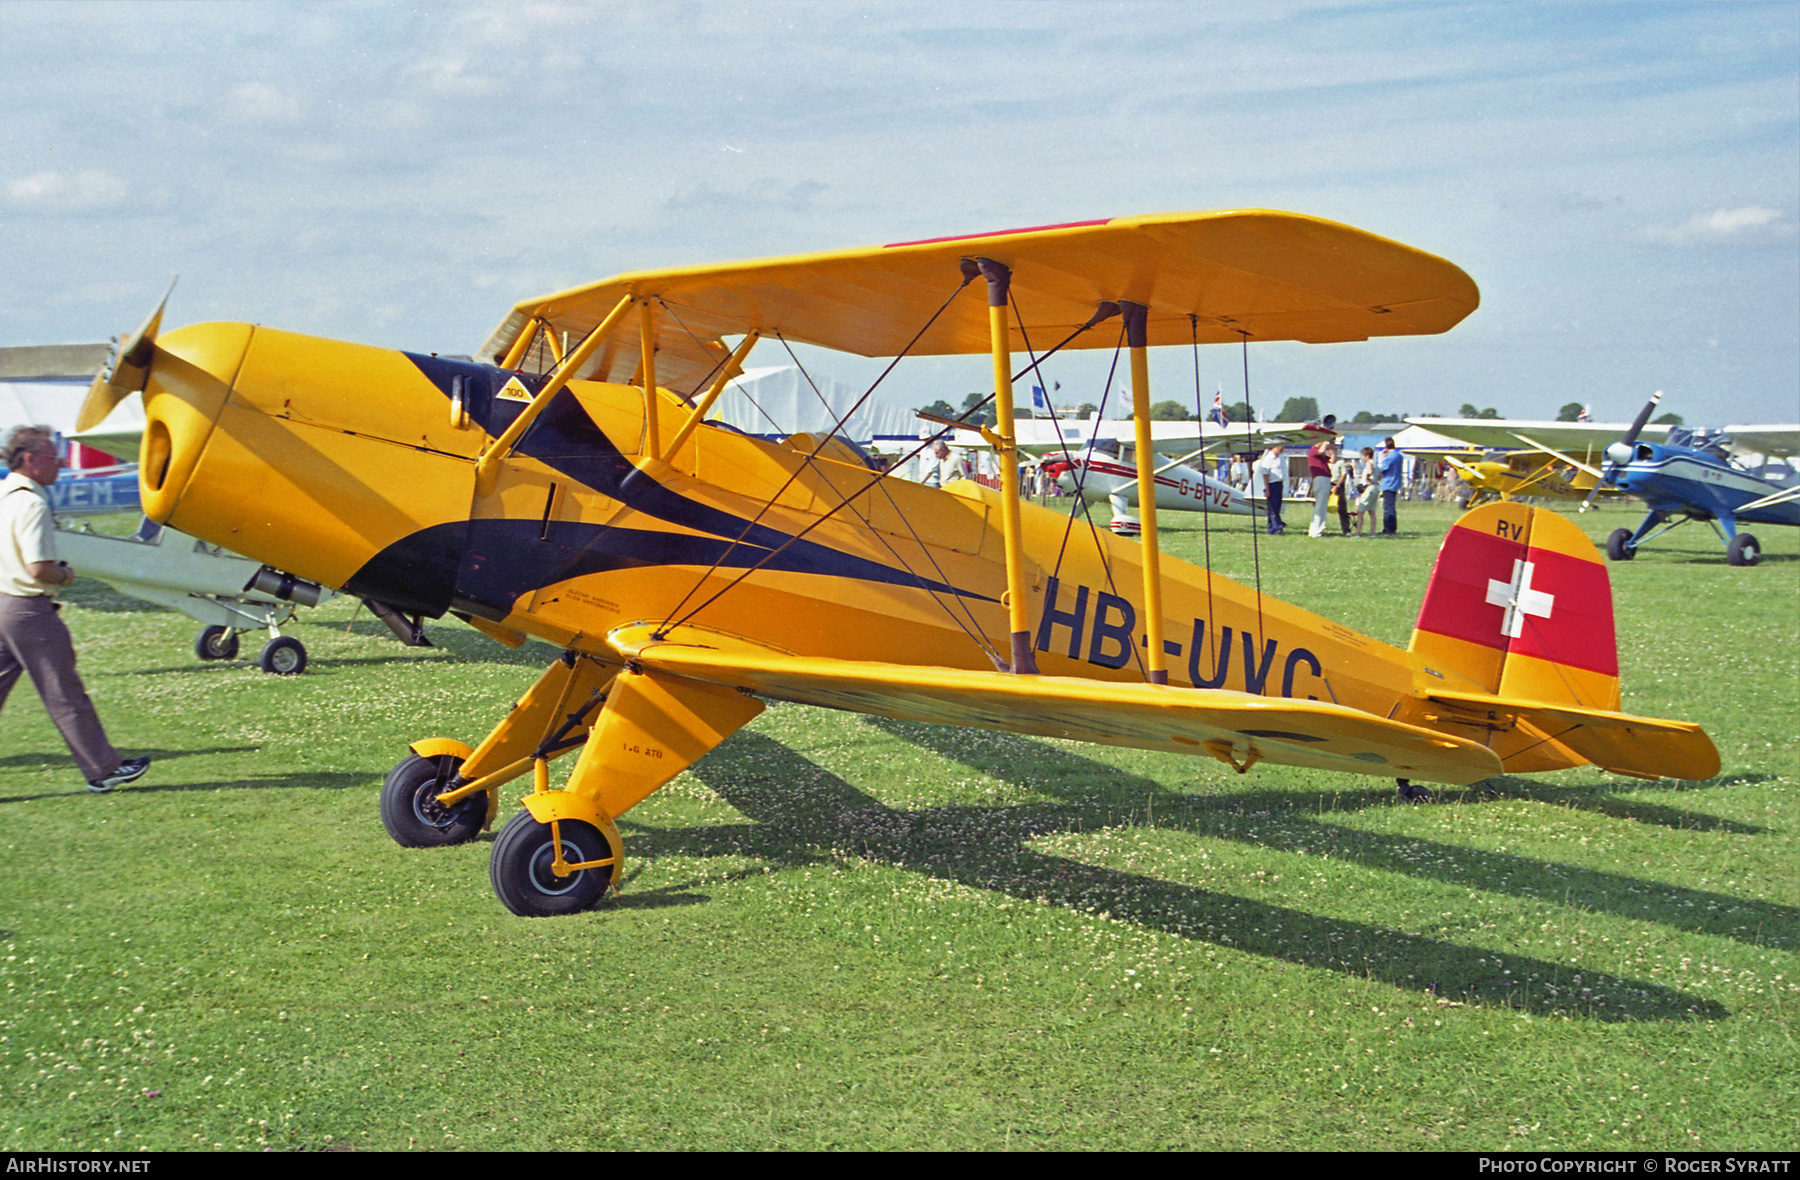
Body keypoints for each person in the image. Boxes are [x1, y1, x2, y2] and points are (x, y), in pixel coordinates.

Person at [1, 426, 150, 793]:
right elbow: (39, 568)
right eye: (54, 458)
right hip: (28, 610)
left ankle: (103, 767)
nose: (62, 463)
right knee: (64, 693)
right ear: (31, 460)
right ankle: (103, 769)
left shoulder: (6, 496)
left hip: (3, 602)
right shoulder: (33, 503)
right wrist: (65, 575)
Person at [1256, 443, 1286, 535]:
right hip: (1272, 484)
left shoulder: (1280, 458)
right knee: (1273, 507)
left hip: (1279, 484)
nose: (1281, 448)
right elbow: (1265, 475)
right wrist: (1267, 489)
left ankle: (1271, 527)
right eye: (1279, 446)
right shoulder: (1268, 459)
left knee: (1276, 507)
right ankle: (1277, 527)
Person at [1307, 438, 1334, 538]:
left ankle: (1318, 529)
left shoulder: (1321, 456)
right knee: (1320, 506)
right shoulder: (1313, 451)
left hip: (1325, 479)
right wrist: (1325, 440)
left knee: (1322, 506)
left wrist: (1333, 448)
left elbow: (1332, 459)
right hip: (1320, 479)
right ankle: (1315, 531)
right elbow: (1322, 450)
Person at [1378, 436, 1405, 536]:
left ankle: (1389, 528)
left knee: (1388, 508)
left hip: (1388, 483)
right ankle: (1391, 527)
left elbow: (1382, 469)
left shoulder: (1389, 457)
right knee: (1391, 507)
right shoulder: (1399, 455)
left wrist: (1383, 457)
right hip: (1396, 483)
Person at [1353, 446, 1378, 538]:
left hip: (1368, 488)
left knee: (1360, 511)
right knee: (1372, 512)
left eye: (1363, 456)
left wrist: (1367, 480)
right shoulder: (1376, 464)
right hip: (1375, 488)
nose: (1362, 458)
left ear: (1367, 455)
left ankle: (1357, 533)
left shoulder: (1369, 463)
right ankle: (1372, 533)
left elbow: (1369, 472)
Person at [1330, 442, 1353, 536]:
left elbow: (1344, 474)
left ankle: (1346, 529)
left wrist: (1337, 486)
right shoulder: (1325, 461)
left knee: (1342, 509)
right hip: (1327, 484)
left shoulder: (1341, 462)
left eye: (1334, 450)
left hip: (1338, 485)